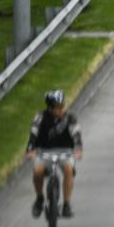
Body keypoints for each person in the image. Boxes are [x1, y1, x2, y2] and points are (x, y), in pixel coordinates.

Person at [27, 90, 83, 219]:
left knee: (68, 169)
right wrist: (30, 149)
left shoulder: (70, 118)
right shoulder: (40, 117)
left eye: (62, 106)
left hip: (65, 152)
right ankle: (39, 198)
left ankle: (66, 204)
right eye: (58, 107)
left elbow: (76, 134)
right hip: (44, 151)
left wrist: (78, 149)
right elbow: (33, 133)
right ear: (50, 108)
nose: (61, 110)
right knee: (37, 171)